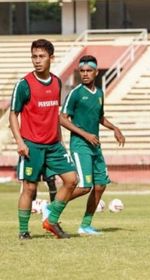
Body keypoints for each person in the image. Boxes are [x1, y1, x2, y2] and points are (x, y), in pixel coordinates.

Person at [9, 39, 78, 239]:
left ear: (51, 58)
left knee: (72, 180)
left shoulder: (56, 82)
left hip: (54, 145)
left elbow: (54, 114)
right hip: (31, 145)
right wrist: (20, 142)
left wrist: (61, 140)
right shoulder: (24, 84)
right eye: (34, 56)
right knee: (30, 188)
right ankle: (23, 231)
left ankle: (51, 219)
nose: (37, 61)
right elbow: (14, 114)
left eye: (41, 56)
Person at [57, 55, 125, 235]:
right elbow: (62, 119)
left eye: (89, 71)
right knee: (85, 186)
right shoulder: (76, 93)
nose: (85, 74)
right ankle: (52, 209)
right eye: (82, 71)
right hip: (80, 145)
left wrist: (114, 128)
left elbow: (99, 117)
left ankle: (85, 225)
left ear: (96, 72)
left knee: (101, 185)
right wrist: (85, 134)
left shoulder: (100, 93)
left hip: (95, 145)